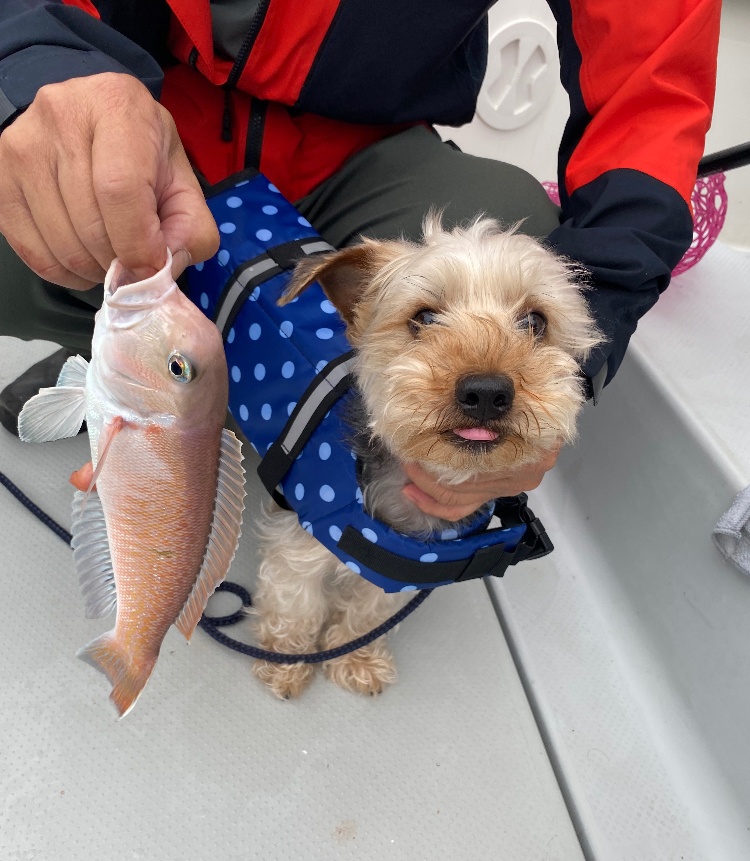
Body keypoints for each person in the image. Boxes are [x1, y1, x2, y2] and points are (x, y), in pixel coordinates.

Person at [0, 0, 721, 522]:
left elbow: (650, 78)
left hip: (360, 147)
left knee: (520, 225)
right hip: (149, 130)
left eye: (531, 325)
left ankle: (178, 372)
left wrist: (580, 342)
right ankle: (115, 360)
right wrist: (39, 64)